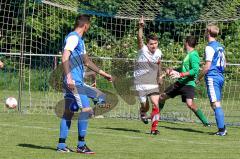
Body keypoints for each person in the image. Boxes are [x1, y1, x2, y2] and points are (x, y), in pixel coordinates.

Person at [57, 14, 112, 153]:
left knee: (69, 112)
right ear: (86, 25)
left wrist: (104, 74)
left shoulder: (80, 41)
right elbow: (65, 56)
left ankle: (61, 146)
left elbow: (87, 62)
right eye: (89, 25)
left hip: (74, 81)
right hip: (73, 81)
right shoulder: (73, 37)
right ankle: (81, 145)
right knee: (87, 109)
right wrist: (69, 77)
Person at [159, 36, 210, 127]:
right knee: (162, 97)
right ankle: (155, 117)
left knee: (190, 104)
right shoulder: (188, 54)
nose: (183, 44)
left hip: (188, 84)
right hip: (180, 83)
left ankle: (206, 123)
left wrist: (181, 75)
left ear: (186, 43)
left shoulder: (193, 54)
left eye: (184, 42)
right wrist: (173, 70)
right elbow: (183, 69)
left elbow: (195, 70)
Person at [134, 16, 164, 135]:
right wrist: (140, 27)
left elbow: (159, 63)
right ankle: (142, 112)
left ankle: (154, 129)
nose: (154, 46)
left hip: (152, 81)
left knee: (155, 105)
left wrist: (160, 76)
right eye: (151, 44)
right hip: (140, 81)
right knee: (145, 107)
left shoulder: (158, 52)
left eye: (156, 43)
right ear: (147, 44)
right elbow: (139, 39)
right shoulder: (143, 50)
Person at [197, 24, 227, 136]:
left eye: (205, 31)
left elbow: (207, 66)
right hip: (220, 76)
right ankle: (222, 127)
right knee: (214, 103)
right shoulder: (220, 46)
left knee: (215, 104)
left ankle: (221, 130)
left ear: (208, 32)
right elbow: (225, 64)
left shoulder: (209, 47)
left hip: (212, 77)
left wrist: (198, 78)